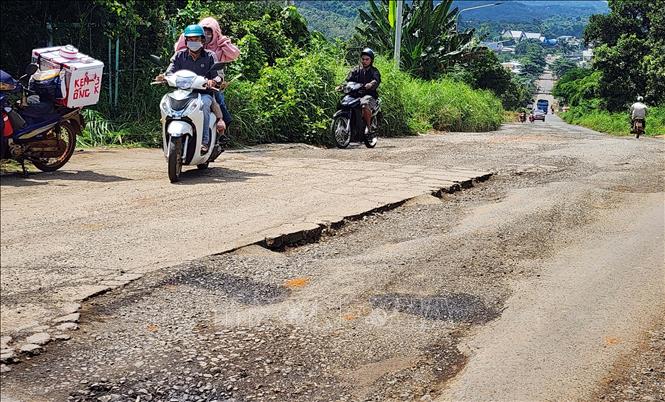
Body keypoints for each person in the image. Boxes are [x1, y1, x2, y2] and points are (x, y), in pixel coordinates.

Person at [162, 24, 221, 153]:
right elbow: (169, 71)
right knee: (165, 102)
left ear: (202, 40)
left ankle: (204, 141)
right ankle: (165, 139)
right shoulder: (179, 56)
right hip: (181, 93)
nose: (193, 42)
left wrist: (213, 81)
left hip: (202, 94)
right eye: (190, 39)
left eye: (196, 39)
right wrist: (164, 77)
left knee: (204, 104)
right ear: (186, 41)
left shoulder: (210, 56)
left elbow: (219, 76)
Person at [175, 17, 239, 128]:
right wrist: (186, 37)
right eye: (204, 33)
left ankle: (223, 125)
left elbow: (234, 54)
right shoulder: (191, 46)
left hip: (211, 80)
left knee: (218, 100)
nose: (207, 35)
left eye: (210, 33)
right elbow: (178, 51)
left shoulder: (215, 50)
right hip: (190, 81)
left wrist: (222, 41)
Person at [344, 48, 381, 134]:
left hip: (369, 95)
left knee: (364, 105)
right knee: (344, 102)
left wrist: (371, 84)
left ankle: (368, 128)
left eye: (367, 59)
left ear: (371, 60)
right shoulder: (356, 70)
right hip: (355, 94)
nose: (364, 61)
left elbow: (376, 80)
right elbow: (348, 79)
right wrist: (342, 86)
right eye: (363, 59)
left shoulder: (374, 71)